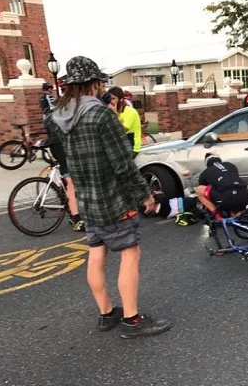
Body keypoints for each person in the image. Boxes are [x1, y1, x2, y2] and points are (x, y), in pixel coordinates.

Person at [46, 56, 171, 339]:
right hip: (114, 199)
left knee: (96, 253)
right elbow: (123, 163)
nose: (103, 87)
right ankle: (132, 319)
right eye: (101, 82)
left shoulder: (57, 117)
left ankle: (106, 313)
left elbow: (59, 150)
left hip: (87, 199)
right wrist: (145, 195)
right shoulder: (101, 115)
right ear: (92, 83)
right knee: (130, 254)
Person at [41, 84, 85, 232]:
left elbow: (48, 122)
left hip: (55, 144)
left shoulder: (58, 106)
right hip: (61, 145)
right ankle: (77, 219)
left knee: (69, 181)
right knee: (71, 182)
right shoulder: (70, 107)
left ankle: (74, 212)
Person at [194, 153, 248, 220]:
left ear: (207, 164)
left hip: (227, 199)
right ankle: (238, 212)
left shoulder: (205, 172)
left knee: (198, 190)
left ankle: (219, 217)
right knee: (231, 188)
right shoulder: (231, 165)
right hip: (245, 197)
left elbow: (204, 188)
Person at [107, 87, 142, 158]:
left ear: (121, 100)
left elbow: (121, 131)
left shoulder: (130, 112)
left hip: (132, 147)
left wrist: (114, 115)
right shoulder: (110, 111)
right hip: (119, 146)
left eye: (113, 98)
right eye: (109, 98)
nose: (111, 101)